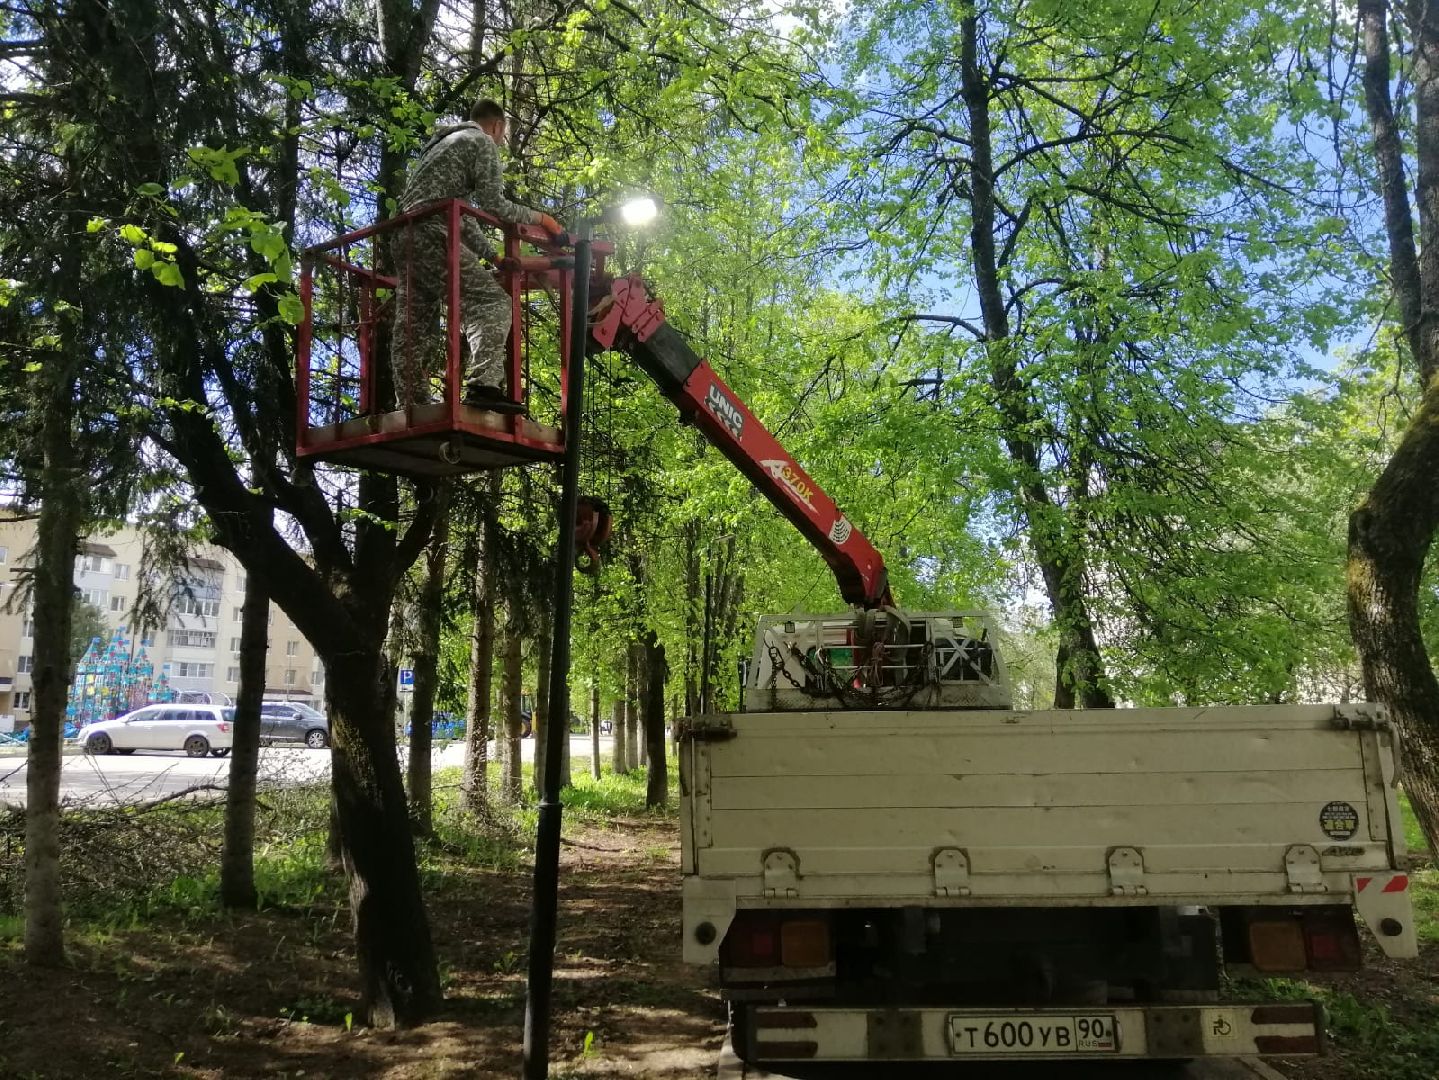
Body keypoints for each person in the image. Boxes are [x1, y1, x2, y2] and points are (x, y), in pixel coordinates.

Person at [390, 98, 564, 410]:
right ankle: (483, 386)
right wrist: (543, 219)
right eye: (502, 134)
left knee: (413, 323)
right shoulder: (481, 142)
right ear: (497, 126)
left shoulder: (441, 146)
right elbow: (492, 203)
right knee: (493, 304)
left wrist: (492, 256)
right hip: (434, 235)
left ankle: (411, 405)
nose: (499, 141)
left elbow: (461, 214)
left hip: (405, 237)